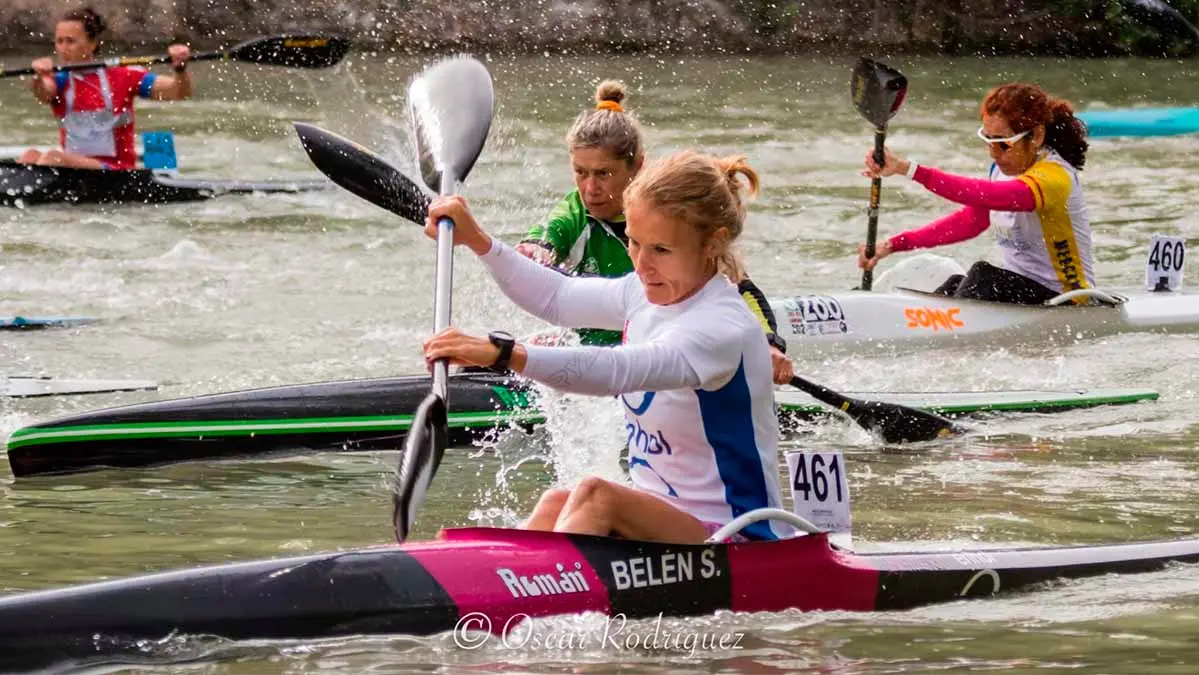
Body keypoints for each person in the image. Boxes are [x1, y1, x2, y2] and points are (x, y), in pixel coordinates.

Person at [423, 151, 790, 544]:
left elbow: (619, 370)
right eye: (634, 242)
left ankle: (537, 593)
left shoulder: (720, 326)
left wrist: (505, 354)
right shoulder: (643, 292)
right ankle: (494, 588)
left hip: (738, 537)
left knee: (597, 496)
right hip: (667, 525)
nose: (642, 264)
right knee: (556, 502)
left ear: (713, 243)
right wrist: (479, 241)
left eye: (661, 250)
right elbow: (557, 296)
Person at [516, 80, 793, 383]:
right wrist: (535, 249)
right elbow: (550, 232)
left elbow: (737, 284)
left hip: (658, 356)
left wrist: (767, 342)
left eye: (604, 174)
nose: (590, 189)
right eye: (580, 173)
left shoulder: (669, 213)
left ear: (637, 166)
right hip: (595, 354)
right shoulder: (574, 213)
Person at [858, 82, 1095, 305]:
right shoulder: (1001, 170)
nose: (993, 153)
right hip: (1021, 293)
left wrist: (908, 170)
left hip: (1068, 301)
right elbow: (971, 221)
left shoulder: (1055, 177)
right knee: (954, 285)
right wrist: (893, 244)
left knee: (982, 276)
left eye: (1003, 143)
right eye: (988, 141)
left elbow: (987, 195)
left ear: (1036, 136)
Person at [18, 6, 193, 171]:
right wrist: (38, 78)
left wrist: (180, 69)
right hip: (76, 170)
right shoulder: (60, 80)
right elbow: (43, 94)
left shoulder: (123, 76)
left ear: (92, 43)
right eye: (59, 41)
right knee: (29, 156)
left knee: (52, 158)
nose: (63, 48)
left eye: (70, 41)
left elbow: (178, 92)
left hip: (117, 171)